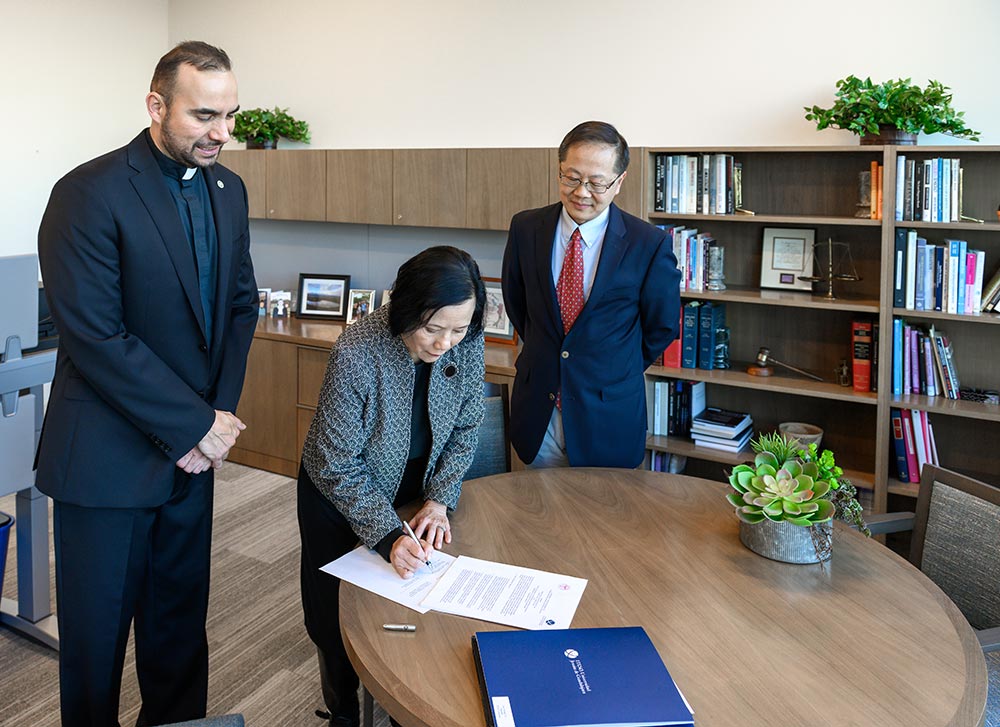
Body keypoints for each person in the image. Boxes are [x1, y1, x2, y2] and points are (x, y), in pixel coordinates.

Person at [36, 41, 257, 726]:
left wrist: (214, 419)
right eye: (204, 115)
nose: (222, 133)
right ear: (157, 105)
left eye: (231, 115)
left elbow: (239, 306)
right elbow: (98, 338)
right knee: (96, 649)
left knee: (180, 635)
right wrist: (196, 425)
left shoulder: (229, 188)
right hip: (105, 466)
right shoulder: (88, 192)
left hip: (191, 465)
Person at [297, 246, 486, 726]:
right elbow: (337, 462)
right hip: (339, 492)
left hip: (415, 482)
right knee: (333, 615)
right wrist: (387, 534)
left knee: (407, 601)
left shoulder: (468, 340)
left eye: (458, 330)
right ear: (405, 310)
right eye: (432, 328)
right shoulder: (357, 350)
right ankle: (341, 710)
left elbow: (467, 427)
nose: (446, 343)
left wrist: (440, 498)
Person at [502, 121, 681, 469]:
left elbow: (661, 327)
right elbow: (517, 302)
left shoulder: (648, 243)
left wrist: (613, 365)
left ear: (619, 181)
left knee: (604, 519)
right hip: (539, 411)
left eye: (597, 182)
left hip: (608, 415)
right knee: (536, 518)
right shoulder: (526, 228)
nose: (582, 192)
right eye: (571, 177)